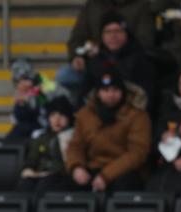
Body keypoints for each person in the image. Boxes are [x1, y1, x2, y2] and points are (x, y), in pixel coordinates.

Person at [64, 65, 151, 193]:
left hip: (124, 172)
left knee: (125, 187)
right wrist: (77, 167)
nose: (110, 94)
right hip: (91, 169)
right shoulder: (85, 114)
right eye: (105, 90)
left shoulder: (137, 116)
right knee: (56, 186)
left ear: (123, 92)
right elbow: (76, 146)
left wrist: (106, 176)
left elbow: (137, 153)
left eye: (115, 89)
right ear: (98, 92)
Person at [57, 0, 154, 94]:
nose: (113, 35)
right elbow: (77, 38)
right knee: (66, 76)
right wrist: (77, 56)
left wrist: (121, 48)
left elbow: (145, 40)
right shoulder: (92, 5)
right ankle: (82, 106)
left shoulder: (141, 5)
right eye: (109, 32)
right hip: (97, 60)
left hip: (128, 60)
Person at [76, 11, 156, 109]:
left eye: (118, 31)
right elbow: (83, 95)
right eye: (108, 32)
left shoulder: (140, 59)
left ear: (126, 33)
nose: (113, 36)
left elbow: (147, 97)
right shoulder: (95, 61)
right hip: (98, 115)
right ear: (102, 36)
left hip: (131, 115)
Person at [17, 95, 76, 197]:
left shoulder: (73, 137)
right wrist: (28, 168)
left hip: (61, 177)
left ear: (69, 118)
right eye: (53, 115)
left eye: (61, 115)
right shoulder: (42, 137)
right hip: (39, 175)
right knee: (24, 185)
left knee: (44, 186)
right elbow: (32, 158)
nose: (57, 119)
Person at [6, 58, 68, 141]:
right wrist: (21, 104)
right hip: (35, 125)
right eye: (17, 82)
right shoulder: (23, 92)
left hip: (50, 123)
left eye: (23, 79)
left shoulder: (41, 83)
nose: (19, 85)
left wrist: (31, 97)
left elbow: (48, 105)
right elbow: (19, 117)